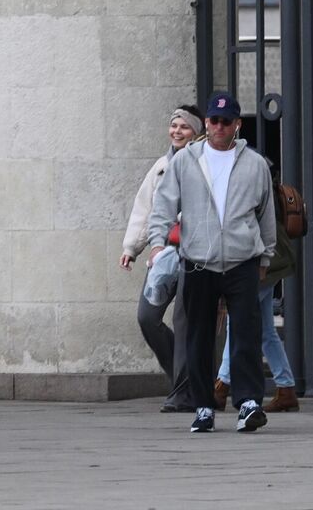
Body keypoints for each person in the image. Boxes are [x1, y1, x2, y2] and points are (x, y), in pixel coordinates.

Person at [147, 91, 278, 434]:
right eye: (214, 120)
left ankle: (248, 402)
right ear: (206, 123)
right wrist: (157, 243)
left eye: (226, 121)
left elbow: (266, 214)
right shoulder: (186, 161)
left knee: (247, 333)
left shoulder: (254, 164)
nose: (219, 127)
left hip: (242, 260)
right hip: (198, 260)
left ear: (237, 124)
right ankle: (203, 404)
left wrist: (265, 255)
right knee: (199, 335)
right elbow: (163, 204)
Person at [120, 105, 202, 412]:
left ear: (197, 131)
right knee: (147, 317)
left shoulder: (202, 162)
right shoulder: (160, 166)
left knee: (184, 321)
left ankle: (184, 391)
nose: (177, 131)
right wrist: (131, 248)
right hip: (163, 253)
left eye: (184, 127)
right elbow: (145, 210)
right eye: (174, 126)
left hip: (194, 254)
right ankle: (182, 380)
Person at [214, 185, 300, 413]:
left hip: (259, 261)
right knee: (265, 329)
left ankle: (222, 385)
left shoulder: (251, 173)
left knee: (237, 320)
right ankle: (286, 388)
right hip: (263, 260)